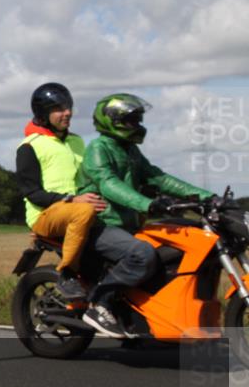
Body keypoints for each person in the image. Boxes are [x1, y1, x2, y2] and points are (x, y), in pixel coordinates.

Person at [76, 93, 214, 338]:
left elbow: (158, 178)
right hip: (100, 225)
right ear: (113, 121)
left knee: (172, 249)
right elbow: (109, 185)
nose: (137, 125)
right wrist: (147, 204)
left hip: (126, 225)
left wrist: (206, 196)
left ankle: (142, 316)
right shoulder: (98, 149)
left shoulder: (129, 150)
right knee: (142, 254)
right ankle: (101, 302)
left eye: (137, 120)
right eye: (131, 120)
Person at [15, 83, 107, 301]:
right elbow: (32, 193)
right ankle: (67, 274)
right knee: (82, 211)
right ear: (43, 114)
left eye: (68, 107)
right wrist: (71, 199)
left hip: (77, 207)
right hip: (46, 215)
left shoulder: (76, 141)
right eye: (59, 109)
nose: (67, 113)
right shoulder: (29, 146)